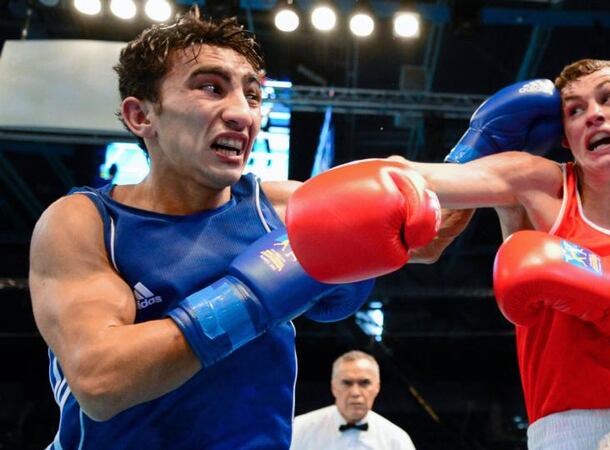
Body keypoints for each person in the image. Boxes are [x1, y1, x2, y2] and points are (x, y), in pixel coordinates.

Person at [28, 7, 442, 450]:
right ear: (141, 116)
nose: (243, 114)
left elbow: (479, 182)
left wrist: (490, 137)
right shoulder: (88, 221)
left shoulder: (283, 209)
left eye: (253, 95)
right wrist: (264, 288)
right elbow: (101, 380)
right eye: (211, 87)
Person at [393, 59, 610, 449]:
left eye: (608, 97)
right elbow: (404, 180)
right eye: (575, 110)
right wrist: (476, 148)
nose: (594, 115)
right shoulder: (535, 185)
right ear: (566, 136)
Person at [290, 350, 415, 450]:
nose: (355, 392)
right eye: (347, 383)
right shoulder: (300, 429)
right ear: (334, 387)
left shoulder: (396, 439)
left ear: (377, 387)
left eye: (364, 383)